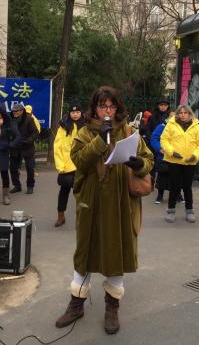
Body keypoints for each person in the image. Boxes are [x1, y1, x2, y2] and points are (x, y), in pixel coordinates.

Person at [54, 86, 153, 335]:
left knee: (116, 253)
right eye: (102, 106)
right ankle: (76, 304)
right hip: (91, 203)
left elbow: (148, 158)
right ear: (95, 108)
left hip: (121, 203)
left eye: (111, 106)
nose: (107, 111)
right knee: (85, 252)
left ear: (117, 108)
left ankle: (112, 307)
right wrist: (100, 140)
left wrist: (140, 163)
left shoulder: (130, 132)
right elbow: (79, 162)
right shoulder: (86, 133)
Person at [160, 104, 199, 223]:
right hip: (174, 161)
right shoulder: (171, 124)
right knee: (174, 186)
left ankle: (189, 211)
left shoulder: (196, 126)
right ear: (177, 114)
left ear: (189, 114)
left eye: (185, 113)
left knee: (187, 187)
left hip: (189, 162)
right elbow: (164, 139)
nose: (183, 115)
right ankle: (171, 210)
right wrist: (171, 152)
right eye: (180, 113)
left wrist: (195, 156)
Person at [53, 104, 85, 227]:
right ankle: (60, 216)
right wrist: (60, 165)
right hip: (67, 165)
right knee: (64, 190)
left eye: (77, 112)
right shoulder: (63, 126)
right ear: (69, 114)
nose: (75, 114)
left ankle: (82, 217)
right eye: (73, 112)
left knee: (82, 192)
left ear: (81, 113)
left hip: (82, 163)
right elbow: (57, 146)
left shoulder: (86, 126)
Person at [8, 103, 39, 194]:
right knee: (13, 168)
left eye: (16, 111)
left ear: (22, 111)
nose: (14, 113)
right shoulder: (11, 120)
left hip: (27, 147)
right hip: (15, 148)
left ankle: (30, 186)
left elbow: (35, 132)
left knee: (30, 167)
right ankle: (17, 186)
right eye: (13, 111)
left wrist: (28, 140)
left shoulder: (29, 119)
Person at [150, 111, 175, 204]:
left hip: (175, 157)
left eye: (175, 116)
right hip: (163, 157)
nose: (173, 118)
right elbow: (154, 138)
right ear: (168, 117)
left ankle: (177, 195)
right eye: (171, 116)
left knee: (176, 177)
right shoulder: (162, 127)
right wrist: (159, 148)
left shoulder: (179, 127)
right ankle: (160, 195)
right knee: (162, 176)